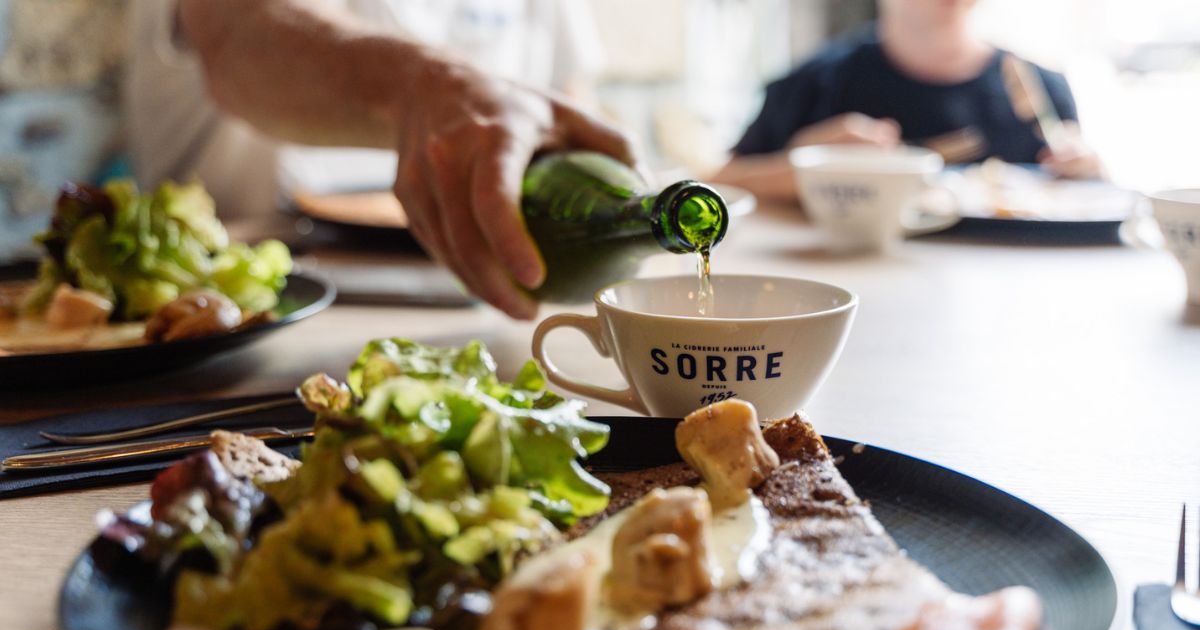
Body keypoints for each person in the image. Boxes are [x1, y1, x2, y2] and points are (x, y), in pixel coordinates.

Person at [130, 0, 636, 320]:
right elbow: (238, 38)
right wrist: (426, 90)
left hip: (485, 308)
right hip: (250, 322)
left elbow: (569, 105)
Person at [711, 0, 1103, 204]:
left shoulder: (1042, 91)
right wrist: (807, 167)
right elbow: (713, 186)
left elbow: (1087, 199)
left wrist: (1091, 171)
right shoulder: (816, 84)